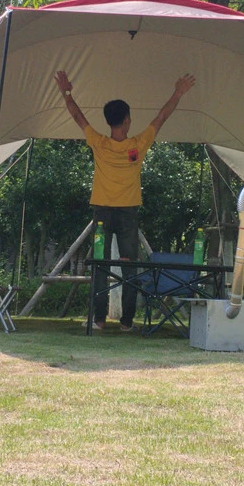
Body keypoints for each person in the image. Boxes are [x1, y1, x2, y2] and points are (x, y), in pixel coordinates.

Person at [54, 69, 196, 331]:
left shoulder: (98, 142)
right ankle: (127, 322)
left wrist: (67, 92)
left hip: (101, 213)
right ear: (127, 120)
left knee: (100, 264)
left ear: (109, 122)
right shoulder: (138, 144)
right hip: (128, 213)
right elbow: (162, 116)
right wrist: (178, 92)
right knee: (131, 267)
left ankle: (98, 319)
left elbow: (77, 115)